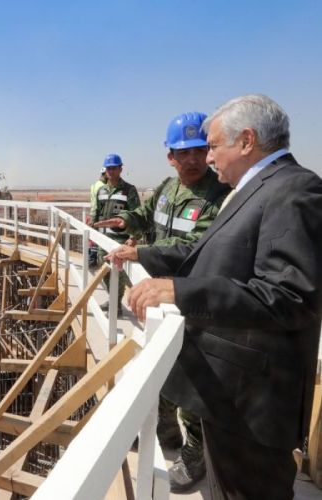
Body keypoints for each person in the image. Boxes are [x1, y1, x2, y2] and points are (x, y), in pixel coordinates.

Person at [108, 94, 322, 499]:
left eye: (212, 146)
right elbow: (209, 251)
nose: (206, 159)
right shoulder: (254, 189)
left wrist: (181, 289)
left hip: (254, 399)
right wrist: (146, 255)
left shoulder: (295, 190)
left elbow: (289, 296)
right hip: (235, 392)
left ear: (245, 141)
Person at [96, 112, 231, 492]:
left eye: (198, 150)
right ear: (170, 156)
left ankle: (195, 454)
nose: (190, 159)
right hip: (157, 299)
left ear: (208, 152)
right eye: (182, 152)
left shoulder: (221, 195)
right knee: (161, 369)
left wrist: (141, 254)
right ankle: (165, 431)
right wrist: (124, 221)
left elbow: (195, 246)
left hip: (193, 303)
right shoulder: (167, 190)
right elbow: (143, 216)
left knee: (194, 381)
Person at [91, 154, 140, 313]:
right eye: (108, 168)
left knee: (120, 275)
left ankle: (121, 304)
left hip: (120, 240)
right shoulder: (102, 190)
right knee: (105, 271)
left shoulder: (129, 190)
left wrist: (133, 237)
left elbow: (136, 215)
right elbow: (97, 213)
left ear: (120, 169)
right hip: (103, 239)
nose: (111, 171)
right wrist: (92, 231)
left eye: (114, 168)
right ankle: (114, 302)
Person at [87, 167, 108, 267]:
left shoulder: (94, 185)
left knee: (92, 239)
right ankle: (94, 260)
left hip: (92, 214)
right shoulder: (103, 187)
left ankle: (90, 259)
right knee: (98, 239)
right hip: (99, 215)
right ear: (105, 174)